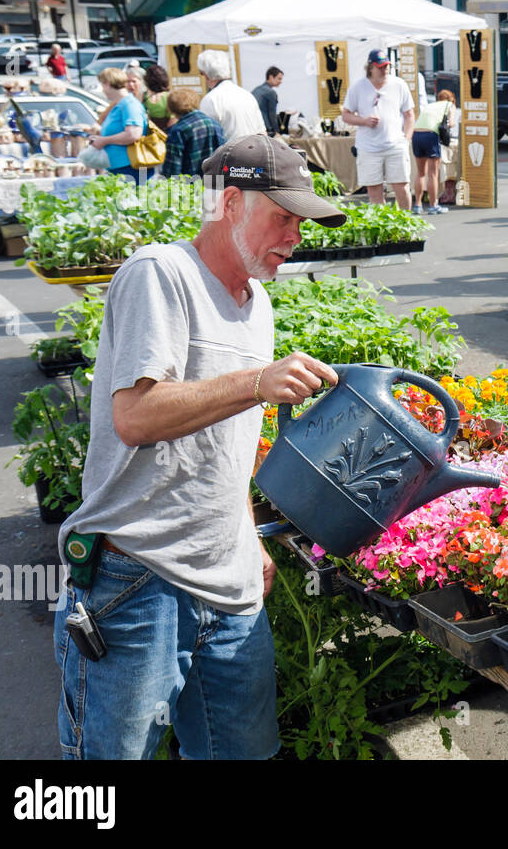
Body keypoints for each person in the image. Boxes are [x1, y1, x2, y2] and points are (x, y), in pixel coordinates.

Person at [54, 134, 348, 760]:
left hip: (229, 580)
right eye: (285, 216)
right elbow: (135, 416)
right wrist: (255, 382)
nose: (296, 234)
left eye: (302, 221)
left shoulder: (257, 302)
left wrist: (245, 535)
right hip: (138, 578)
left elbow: (225, 444)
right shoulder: (162, 274)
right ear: (232, 203)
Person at [341, 49, 416, 210]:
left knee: (401, 187)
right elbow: (346, 115)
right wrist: (363, 121)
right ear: (371, 67)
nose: (385, 69)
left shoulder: (399, 84)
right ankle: (383, 227)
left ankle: (406, 225)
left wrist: (406, 140)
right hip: (368, 147)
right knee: (374, 190)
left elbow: (409, 114)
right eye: (381, 67)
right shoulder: (358, 87)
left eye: (387, 66)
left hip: (395, 145)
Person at [88, 67, 147, 179]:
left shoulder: (129, 104)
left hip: (130, 167)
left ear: (108, 84)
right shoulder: (120, 104)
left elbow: (133, 134)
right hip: (120, 167)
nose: (102, 90)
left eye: (102, 85)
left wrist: (104, 141)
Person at [197, 50, 265, 142]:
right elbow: (262, 132)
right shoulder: (247, 95)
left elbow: (207, 139)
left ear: (206, 75)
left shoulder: (210, 99)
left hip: (228, 154)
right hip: (254, 151)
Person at [161, 88, 225, 178]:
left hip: (191, 185)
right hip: (215, 182)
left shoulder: (178, 130)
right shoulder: (214, 123)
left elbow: (172, 169)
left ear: (172, 108)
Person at [411, 89, 455, 214]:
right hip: (431, 135)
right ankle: (433, 205)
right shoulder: (449, 105)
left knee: (420, 173)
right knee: (433, 174)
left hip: (417, 133)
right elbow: (451, 123)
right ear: (451, 99)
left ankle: (418, 205)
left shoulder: (430, 106)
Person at [435, 89, 462, 208]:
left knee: (444, 169)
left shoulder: (439, 110)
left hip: (445, 143)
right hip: (453, 142)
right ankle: (450, 194)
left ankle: (446, 194)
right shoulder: (454, 108)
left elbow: (451, 124)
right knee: (452, 169)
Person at [253, 66, 283, 137]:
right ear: (271, 77)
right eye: (279, 78)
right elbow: (272, 114)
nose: (281, 81)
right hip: (266, 129)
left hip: (254, 127)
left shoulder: (256, 90)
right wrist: (276, 131)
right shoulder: (271, 92)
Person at [143, 64, 172, 130]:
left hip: (148, 133)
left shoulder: (143, 96)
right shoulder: (168, 96)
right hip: (165, 132)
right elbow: (173, 118)